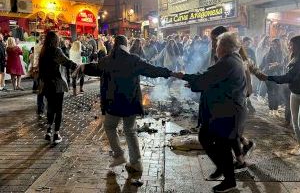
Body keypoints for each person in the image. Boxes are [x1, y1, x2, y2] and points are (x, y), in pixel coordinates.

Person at [78, 35, 172, 173]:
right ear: (126, 44)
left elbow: (94, 68)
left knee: (110, 127)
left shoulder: (106, 60)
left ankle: (119, 155)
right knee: (130, 131)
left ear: (114, 45)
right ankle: (136, 163)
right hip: (130, 103)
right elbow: (152, 70)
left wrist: (81, 67)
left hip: (113, 104)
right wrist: (169, 73)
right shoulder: (133, 59)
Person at [173, 32, 247, 192]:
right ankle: (224, 170)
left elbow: (206, 79)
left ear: (225, 47)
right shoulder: (232, 60)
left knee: (218, 143)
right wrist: (190, 79)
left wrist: (188, 79)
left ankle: (229, 180)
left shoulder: (228, 62)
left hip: (228, 112)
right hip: (227, 111)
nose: (215, 48)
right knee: (209, 138)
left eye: (218, 45)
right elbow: (208, 77)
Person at [38, 31, 77, 144]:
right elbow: (66, 62)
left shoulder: (43, 52)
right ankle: (56, 134)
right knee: (58, 109)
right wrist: (78, 67)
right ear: (55, 40)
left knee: (50, 107)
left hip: (47, 84)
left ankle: (49, 130)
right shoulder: (56, 51)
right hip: (57, 84)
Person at [266, 35, 300, 155]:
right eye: (289, 44)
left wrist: (268, 77)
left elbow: (289, 77)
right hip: (294, 93)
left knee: (298, 123)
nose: (289, 46)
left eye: (292, 44)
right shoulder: (293, 57)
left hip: (297, 92)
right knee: (295, 123)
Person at [260, 39, 285, 116]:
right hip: (269, 76)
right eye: (272, 44)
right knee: (271, 93)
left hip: (278, 76)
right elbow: (263, 65)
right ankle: (271, 109)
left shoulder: (281, 54)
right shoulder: (268, 54)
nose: (273, 46)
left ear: (279, 45)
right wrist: (270, 66)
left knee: (277, 92)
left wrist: (279, 65)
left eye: (275, 44)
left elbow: (283, 65)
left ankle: (276, 109)